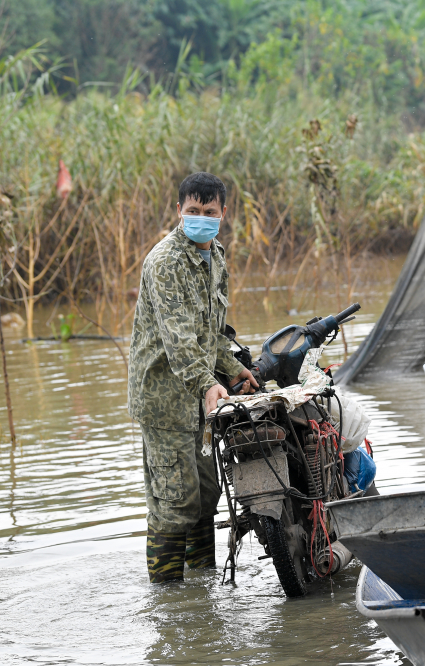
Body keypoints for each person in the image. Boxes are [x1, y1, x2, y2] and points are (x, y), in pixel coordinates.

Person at [128, 172, 259, 584]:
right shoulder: (165, 262)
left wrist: (236, 370)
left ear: (223, 214)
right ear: (179, 212)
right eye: (193, 211)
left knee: (206, 496)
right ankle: (168, 600)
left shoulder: (215, 256)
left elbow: (211, 334)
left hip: (205, 398)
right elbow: (179, 340)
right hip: (166, 400)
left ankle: (200, 590)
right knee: (175, 502)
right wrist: (207, 383)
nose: (200, 218)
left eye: (209, 212)